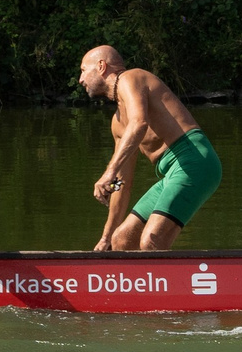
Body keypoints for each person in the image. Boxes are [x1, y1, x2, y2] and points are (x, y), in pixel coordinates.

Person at [80, 46, 220, 251]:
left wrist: (108, 172)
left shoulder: (131, 78)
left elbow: (139, 123)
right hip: (171, 174)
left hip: (194, 161)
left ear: (101, 66)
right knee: (122, 241)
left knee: (150, 240)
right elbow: (121, 183)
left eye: (83, 70)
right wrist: (106, 237)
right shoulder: (118, 124)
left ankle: (180, 282)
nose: (80, 79)